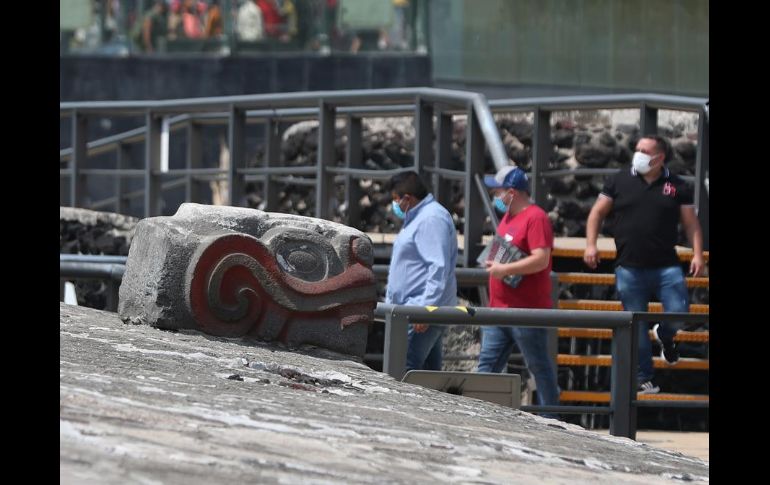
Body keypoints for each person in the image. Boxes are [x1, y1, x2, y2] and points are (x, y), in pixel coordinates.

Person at [583, 135, 705, 394]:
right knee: (635, 323)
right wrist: (591, 245)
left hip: (666, 265)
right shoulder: (619, 180)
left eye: (644, 150)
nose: (637, 154)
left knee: (679, 312)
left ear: (659, 157)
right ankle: (643, 377)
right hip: (629, 266)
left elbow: (691, 224)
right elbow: (597, 213)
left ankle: (666, 335)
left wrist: (697, 254)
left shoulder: (677, 185)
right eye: (637, 149)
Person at [478, 165, 561, 417]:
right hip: (499, 309)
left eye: (498, 191)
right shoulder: (508, 217)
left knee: (538, 367)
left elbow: (541, 259)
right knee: (487, 366)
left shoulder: (536, 218)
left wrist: (504, 269)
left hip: (526, 311)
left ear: (512, 192)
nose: (495, 195)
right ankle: (478, 413)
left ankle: (551, 418)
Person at [384, 171, 458, 373]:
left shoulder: (430, 219)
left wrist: (425, 309)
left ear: (407, 198)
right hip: (412, 312)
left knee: (403, 371)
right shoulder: (420, 217)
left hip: (418, 313)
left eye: (396, 199)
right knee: (427, 375)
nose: (395, 205)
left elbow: (438, 266)